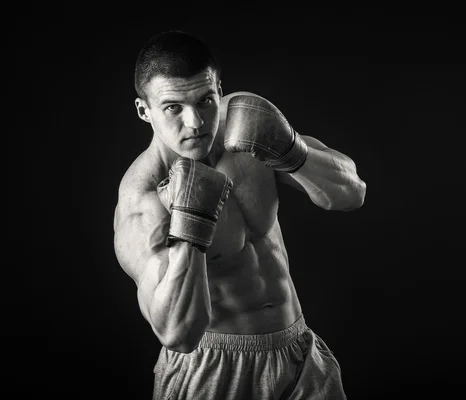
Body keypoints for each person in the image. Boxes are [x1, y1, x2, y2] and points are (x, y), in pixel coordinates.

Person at [113, 29, 366, 400]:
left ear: (219, 88)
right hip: (211, 372)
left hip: (299, 352)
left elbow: (351, 193)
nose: (196, 122)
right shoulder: (144, 199)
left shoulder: (244, 122)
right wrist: (189, 224)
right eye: (173, 108)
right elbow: (178, 334)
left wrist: (293, 152)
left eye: (205, 100)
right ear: (144, 111)